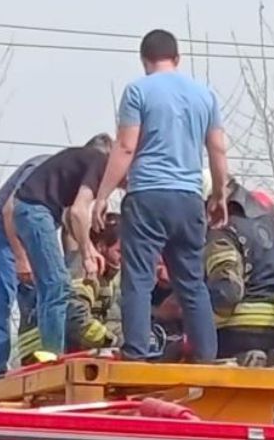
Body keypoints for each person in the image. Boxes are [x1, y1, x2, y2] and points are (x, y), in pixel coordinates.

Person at [91, 28, 230, 364]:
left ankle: (136, 352)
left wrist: (103, 194)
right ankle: (206, 356)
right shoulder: (205, 95)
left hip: (148, 196)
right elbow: (218, 148)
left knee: (138, 278)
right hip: (188, 199)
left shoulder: (138, 91)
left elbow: (126, 146)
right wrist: (220, 194)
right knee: (191, 281)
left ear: (144, 60)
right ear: (177, 58)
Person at [10, 133, 113, 356]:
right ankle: (53, 353)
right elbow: (77, 212)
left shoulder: (84, 162)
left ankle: (48, 349)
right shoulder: (100, 162)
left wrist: (89, 247)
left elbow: (69, 217)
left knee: (50, 286)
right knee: (57, 285)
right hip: (35, 210)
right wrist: (87, 255)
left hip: (30, 209)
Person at [0, 153, 52, 380]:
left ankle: (33, 363)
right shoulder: (43, 167)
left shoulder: (80, 184)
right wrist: (20, 257)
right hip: (1, 230)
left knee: (39, 300)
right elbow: (9, 209)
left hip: (33, 236)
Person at [204, 180, 274, 364]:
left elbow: (226, 293)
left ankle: (242, 357)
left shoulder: (223, 230)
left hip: (237, 330)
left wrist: (198, 323)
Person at [17, 213, 123, 361]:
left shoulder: (105, 276)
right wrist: (112, 341)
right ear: (101, 247)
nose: (125, 257)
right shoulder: (85, 269)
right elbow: (75, 318)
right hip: (42, 350)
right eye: (120, 251)